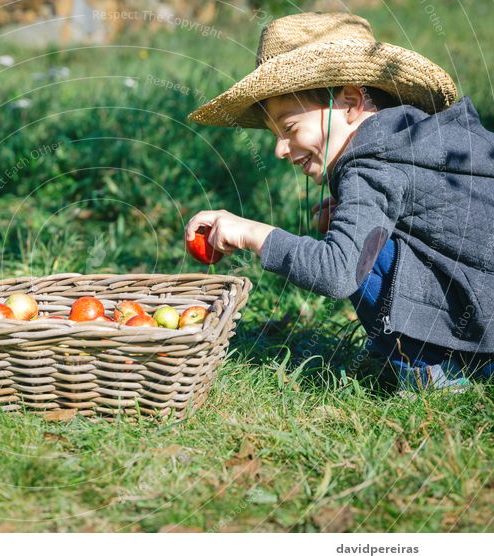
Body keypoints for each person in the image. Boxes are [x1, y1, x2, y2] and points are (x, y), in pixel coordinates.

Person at [185, 12, 494, 391]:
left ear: (349, 102)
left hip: (483, 337)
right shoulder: (412, 139)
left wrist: (253, 233)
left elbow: (336, 273)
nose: (280, 149)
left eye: (290, 128)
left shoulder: (369, 165)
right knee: (361, 237)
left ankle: (436, 368)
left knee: (356, 255)